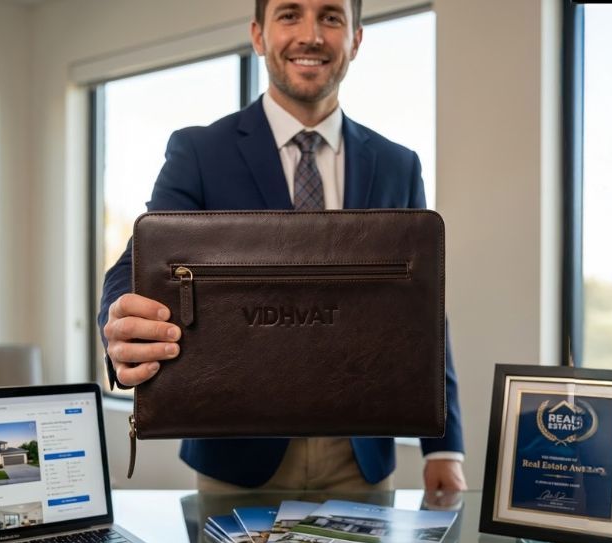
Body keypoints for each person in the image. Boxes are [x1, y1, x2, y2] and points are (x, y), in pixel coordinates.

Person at [99, 0, 466, 495]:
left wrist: (444, 447)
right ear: (258, 35)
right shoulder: (200, 152)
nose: (311, 35)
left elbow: (423, 310)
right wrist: (121, 321)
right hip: (236, 454)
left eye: (332, 17)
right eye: (290, 14)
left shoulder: (399, 165)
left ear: (356, 39)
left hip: (360, 459)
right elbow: (140, 262)